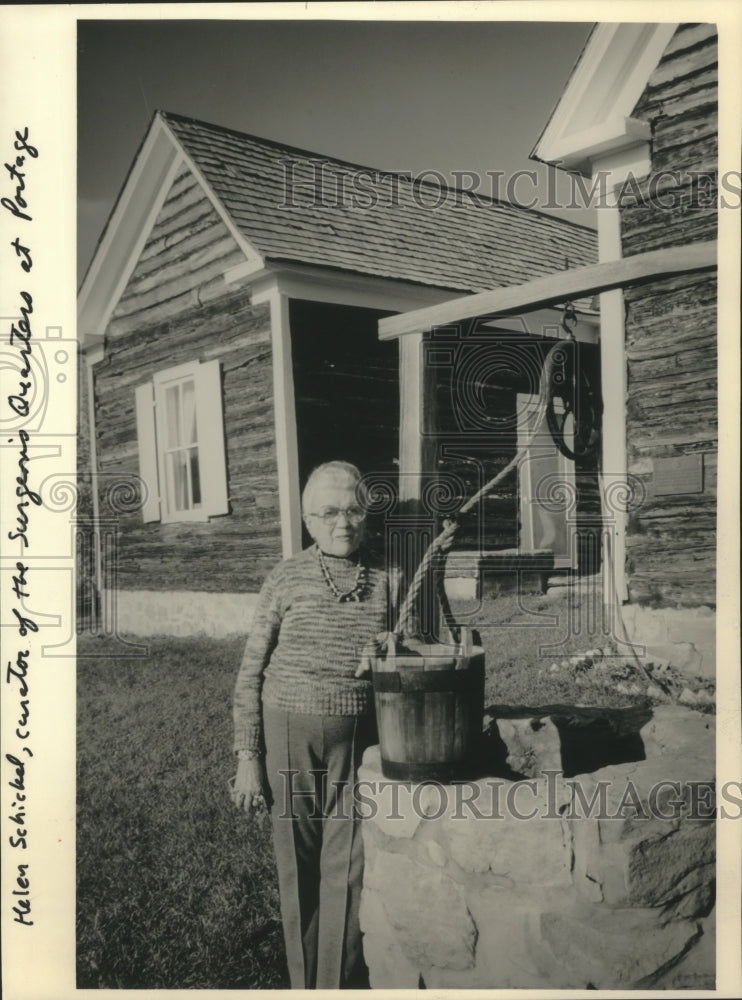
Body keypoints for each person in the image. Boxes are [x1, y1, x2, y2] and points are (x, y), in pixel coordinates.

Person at [230, 460, 395, 989]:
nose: (342, 523)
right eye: (329, 512)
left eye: (353, 509)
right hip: (288, 732)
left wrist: (389, 654)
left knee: (349, 865)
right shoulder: (285, 577)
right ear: (307, 519)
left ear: (367, 517)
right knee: (298, 862)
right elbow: (250, 672)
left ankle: (336, 984)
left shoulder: (388, 578)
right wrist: (247, 759)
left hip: (357, 736)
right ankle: (303, 982)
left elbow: (412, 649)